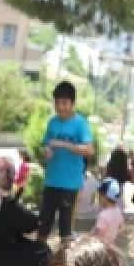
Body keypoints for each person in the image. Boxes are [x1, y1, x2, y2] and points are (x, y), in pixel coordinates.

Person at [38, 81, 95, 242]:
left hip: (70, 184)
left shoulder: (80, 123)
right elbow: (46, 146)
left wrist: (65, 144)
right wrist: (46, 152)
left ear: (72, 103)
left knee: (66, 232)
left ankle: (64, 264)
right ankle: (38, 262)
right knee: (43, 227)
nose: (60, 107)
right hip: (51, 181)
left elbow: (90, 150)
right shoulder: (52, 122)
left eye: (64, 103)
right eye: (57, 103)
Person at [92, 178, 125, 246]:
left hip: (101, 249)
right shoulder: (118, 210)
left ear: (104, 196)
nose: (98, 197)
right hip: (111, 246)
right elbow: (121, 227)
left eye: (99, 195)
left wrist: (86, 238)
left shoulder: (104, 215)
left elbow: (97, 235)